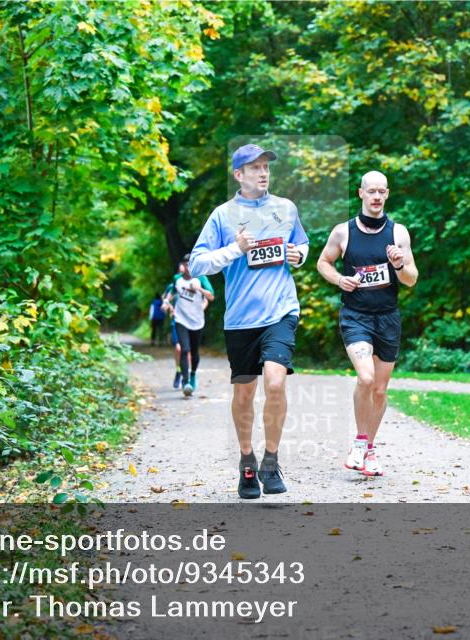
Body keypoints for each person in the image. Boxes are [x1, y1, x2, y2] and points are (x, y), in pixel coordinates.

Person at [189, 144, 309, 499]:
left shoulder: (286, 209)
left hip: (280, 311)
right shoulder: (223, 215)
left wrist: (297, 255)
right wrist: (235, 250)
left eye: (266, 167)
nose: (263, 173)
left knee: (275, 383)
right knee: (244, 392)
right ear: (238, 174)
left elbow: (302, 244)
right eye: (254, 167)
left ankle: (271, 461)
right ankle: (247, 460)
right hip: (241, 320)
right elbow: (197, 264)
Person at [316, 171, 417, 477]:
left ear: (387, 194)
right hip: (355, 316)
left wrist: (399, 264)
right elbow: (323, 263)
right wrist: (339, 279)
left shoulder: (398, 233)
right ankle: (360, 443)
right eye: (371, 191)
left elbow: (411, 280)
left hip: (388, 317)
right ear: (360, 193)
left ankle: (369, 450)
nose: (376, 197)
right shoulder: (343, 232)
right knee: (366, 377)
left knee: (381, 390)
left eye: (381, 192)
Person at [163, 256, 215, 392]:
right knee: (184, 350)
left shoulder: (201, 278)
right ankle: (186, 383)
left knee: (194, 351)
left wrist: (200, 289)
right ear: (183, 266)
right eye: (186, 265)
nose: (188, 268)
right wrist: (166, 302)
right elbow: (172, 292)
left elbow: (211, 296)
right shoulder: (177, 279)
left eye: (191, 265)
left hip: (197, 321)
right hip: (181, 319)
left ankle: (192, 374)